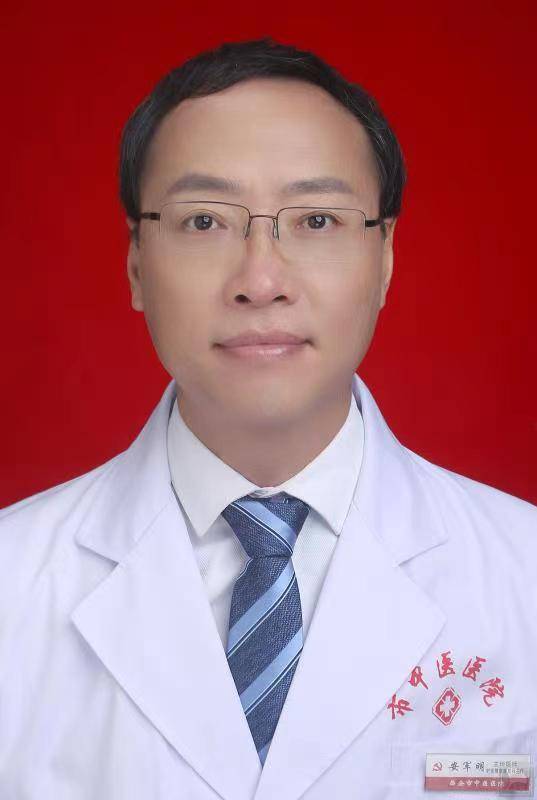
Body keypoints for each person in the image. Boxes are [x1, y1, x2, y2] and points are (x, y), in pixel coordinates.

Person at [0, 36, 535, 800]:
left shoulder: (522, 574)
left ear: (384, 258)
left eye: (315, 220)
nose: (259, 280)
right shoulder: (12, 584)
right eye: (203, 222)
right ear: (136, 262)